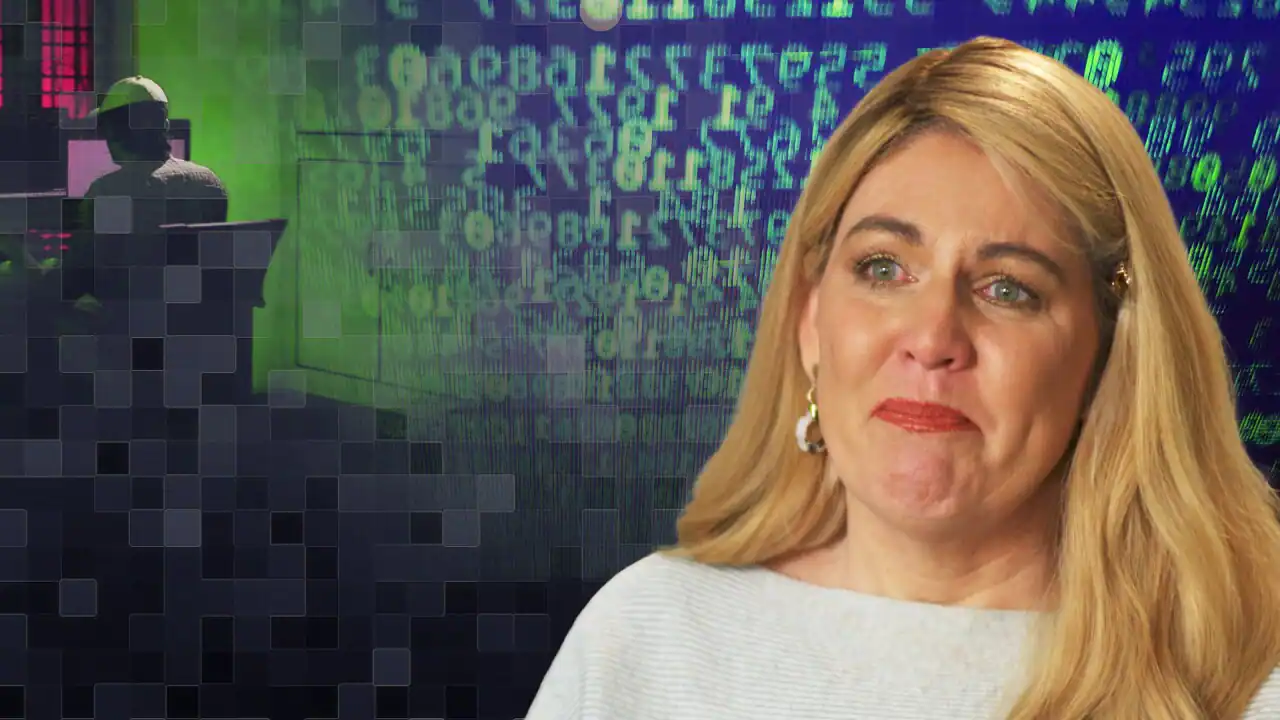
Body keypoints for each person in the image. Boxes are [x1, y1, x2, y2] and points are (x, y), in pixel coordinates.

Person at [524, 37, 1280, 719]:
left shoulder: (1246, 677)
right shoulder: (648, 635)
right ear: (809, 320)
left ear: (1110, 356)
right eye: (883, 269)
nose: (932, 339)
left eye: (1008, 288)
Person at [79, 75, 228, 232]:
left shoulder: (104, 192)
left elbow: (85, 248)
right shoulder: (209, 183)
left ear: (112, 132)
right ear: (166, 126)